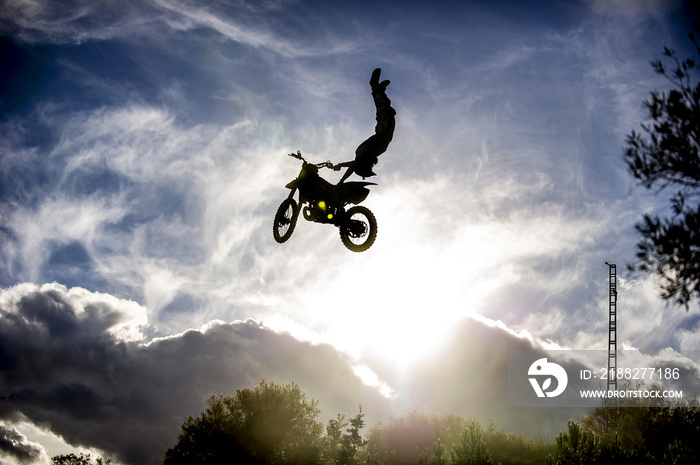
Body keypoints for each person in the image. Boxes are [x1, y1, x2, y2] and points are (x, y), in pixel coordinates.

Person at [335, 68, 396, 182]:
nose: (373, 165)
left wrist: (341, 180)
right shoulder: (365, 156)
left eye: (370, 167)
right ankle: (379, 90)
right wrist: (341, 165)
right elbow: (353, 164)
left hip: (384, 128)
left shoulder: (364, 155)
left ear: (364, 165)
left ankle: (375, 88)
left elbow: (353, 166)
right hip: (384, 128)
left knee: (383, 107)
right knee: (386, 107)